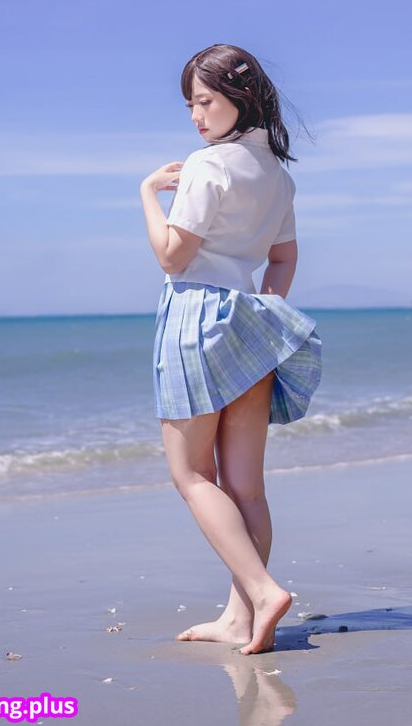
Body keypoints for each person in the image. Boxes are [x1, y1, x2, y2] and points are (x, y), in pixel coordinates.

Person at [139, 44, 322, 656]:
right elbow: (284, 258)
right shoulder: (279, 175)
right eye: (191, 105)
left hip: (194, 315)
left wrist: (146, 194)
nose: (196, 116)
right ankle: (240, 620)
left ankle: (263, 593)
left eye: (205, 101)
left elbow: (173, 257)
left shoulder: (208, 165)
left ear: (239, 98)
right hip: (250, 320)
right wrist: (264, 309)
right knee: (247, 487)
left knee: (192, 474)